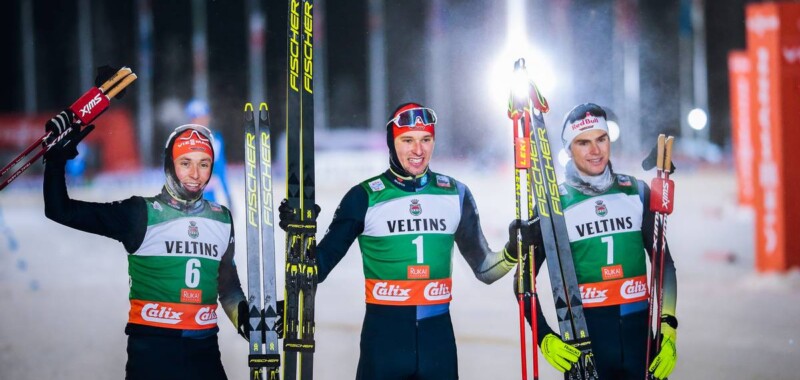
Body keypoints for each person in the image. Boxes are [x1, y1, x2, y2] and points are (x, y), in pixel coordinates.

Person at [278, 102, 522, 380]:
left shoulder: (456, 194)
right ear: (391, 142)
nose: (418, 151)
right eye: (407, 140)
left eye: (426, 140)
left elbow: (485, 270)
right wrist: (298, 233)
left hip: (438, 342)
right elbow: (316, 269)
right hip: (383, 343)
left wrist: (513, 250)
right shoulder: (364, 197)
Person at [43, 118, 251, 380]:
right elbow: (60, 210)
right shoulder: (139, 213)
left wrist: (244, 318)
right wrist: (55, 161)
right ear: (170, 165)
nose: (195, 175)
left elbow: (228, 287)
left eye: (204, 164)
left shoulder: (222, 219)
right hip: (152, 355)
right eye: (185, 163)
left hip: (205, 354)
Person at [517, 103, 678, 379]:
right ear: (569, 149)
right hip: (586, 344)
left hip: (641, 342)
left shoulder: (637, 192)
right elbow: (523, 279)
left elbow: (665, 264)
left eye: (601, 139)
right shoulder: (554, 205)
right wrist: (543, 336)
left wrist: (668, 326)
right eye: (583, 142)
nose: (595, 150)